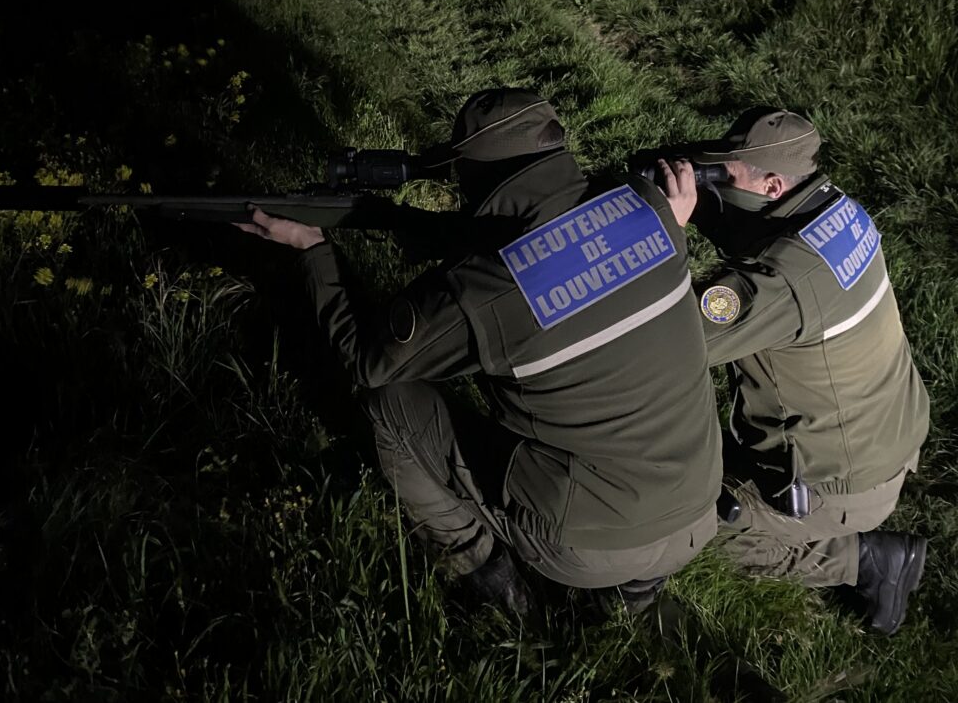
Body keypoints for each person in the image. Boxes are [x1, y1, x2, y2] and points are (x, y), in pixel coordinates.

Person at [238, 88, 722, 618]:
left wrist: (313, 252)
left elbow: (366, 362)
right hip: (698, 515)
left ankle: (489, 578)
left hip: (586, 547)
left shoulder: (487, 288)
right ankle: (633, 594)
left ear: (470, 178)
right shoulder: (651, 213)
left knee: (391, 406)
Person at [671, 107, 930, 635]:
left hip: (838, 484)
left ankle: (865, 559)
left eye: (730, 175)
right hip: (885, 438)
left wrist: (668, 230)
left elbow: (670, 340)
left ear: (771, 183)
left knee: (676, 531)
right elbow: (759, 234)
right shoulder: (836, 210)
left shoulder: (784, 281)